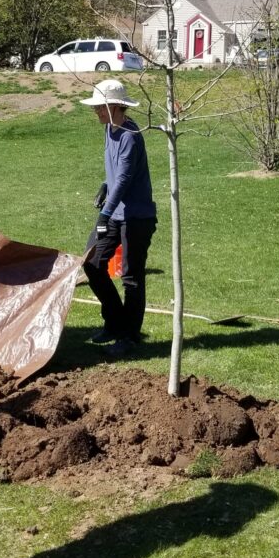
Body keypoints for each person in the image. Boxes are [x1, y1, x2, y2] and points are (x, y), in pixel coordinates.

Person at [79, 79, 157, 358]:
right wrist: (104, 183)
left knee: (132, 277)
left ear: (114, 107)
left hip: (136, 217)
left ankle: (130, 336)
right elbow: (114, 172)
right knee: (92, 263)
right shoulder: (109, 130)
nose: (96, 112)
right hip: (115, 212)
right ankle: (114, 322)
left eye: (99, 107)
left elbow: (124, 178)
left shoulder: (130, 135)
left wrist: (104, 214)